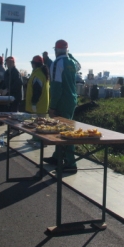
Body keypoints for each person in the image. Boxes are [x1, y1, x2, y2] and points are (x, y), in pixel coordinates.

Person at [45, 39, 78, 174]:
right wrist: (70, 55)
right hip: (72, 99)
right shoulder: (72, 62)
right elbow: (79, 65)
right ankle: (57, 157)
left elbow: (56, 87)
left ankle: (70, 162)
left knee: (65, 132)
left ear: (56, 50)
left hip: (62, 100)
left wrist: (52, 106)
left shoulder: (56, 63)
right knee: (64, 130)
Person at [25, 55, 50, 147]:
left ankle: (39, 141)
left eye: (32, 63)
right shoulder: (42, 73)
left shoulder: (37, 74)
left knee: (38, 124)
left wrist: (34, 103)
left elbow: (37, 90)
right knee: (39, 124)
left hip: (38, 105)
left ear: (34, 64)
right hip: (43, 104)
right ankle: (36, 139)